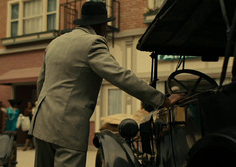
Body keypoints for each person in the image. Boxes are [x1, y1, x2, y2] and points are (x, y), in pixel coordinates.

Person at [29, 2, 185, 167]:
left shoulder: (55, 43)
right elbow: (120, 76)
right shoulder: (93, 42)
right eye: (105, 25)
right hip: (68, 125)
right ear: (101, 25)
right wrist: (162, 100)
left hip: (41, 122)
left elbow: (41, 82)